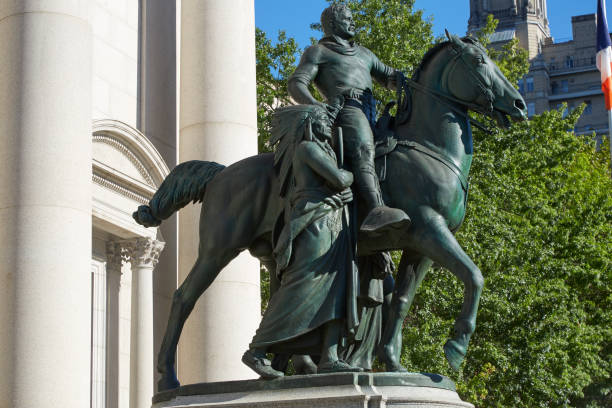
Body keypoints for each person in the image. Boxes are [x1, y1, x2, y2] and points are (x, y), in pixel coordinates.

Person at [241, 105, 362, 378]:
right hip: (313, 222)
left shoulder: (324, 149)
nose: (326, 124)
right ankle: (257, 350)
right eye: (320, 119)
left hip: (333, 220)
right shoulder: (308, 149)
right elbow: (340, 178)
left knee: (337, 288)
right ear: (307, 123)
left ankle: (330, 356)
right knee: (301, 285)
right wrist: (353, 171)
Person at [288, 3, 410, 239]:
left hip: (370, 111)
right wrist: (316, 105)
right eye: (347, 18)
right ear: (332, 24)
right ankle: (376, 209)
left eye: (353, 18)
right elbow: (296, 83)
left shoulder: (365, 54)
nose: (353, 22)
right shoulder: (318, 52)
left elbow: (389, 77)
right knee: (364, 149)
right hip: (346, 110)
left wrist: (406, 80)